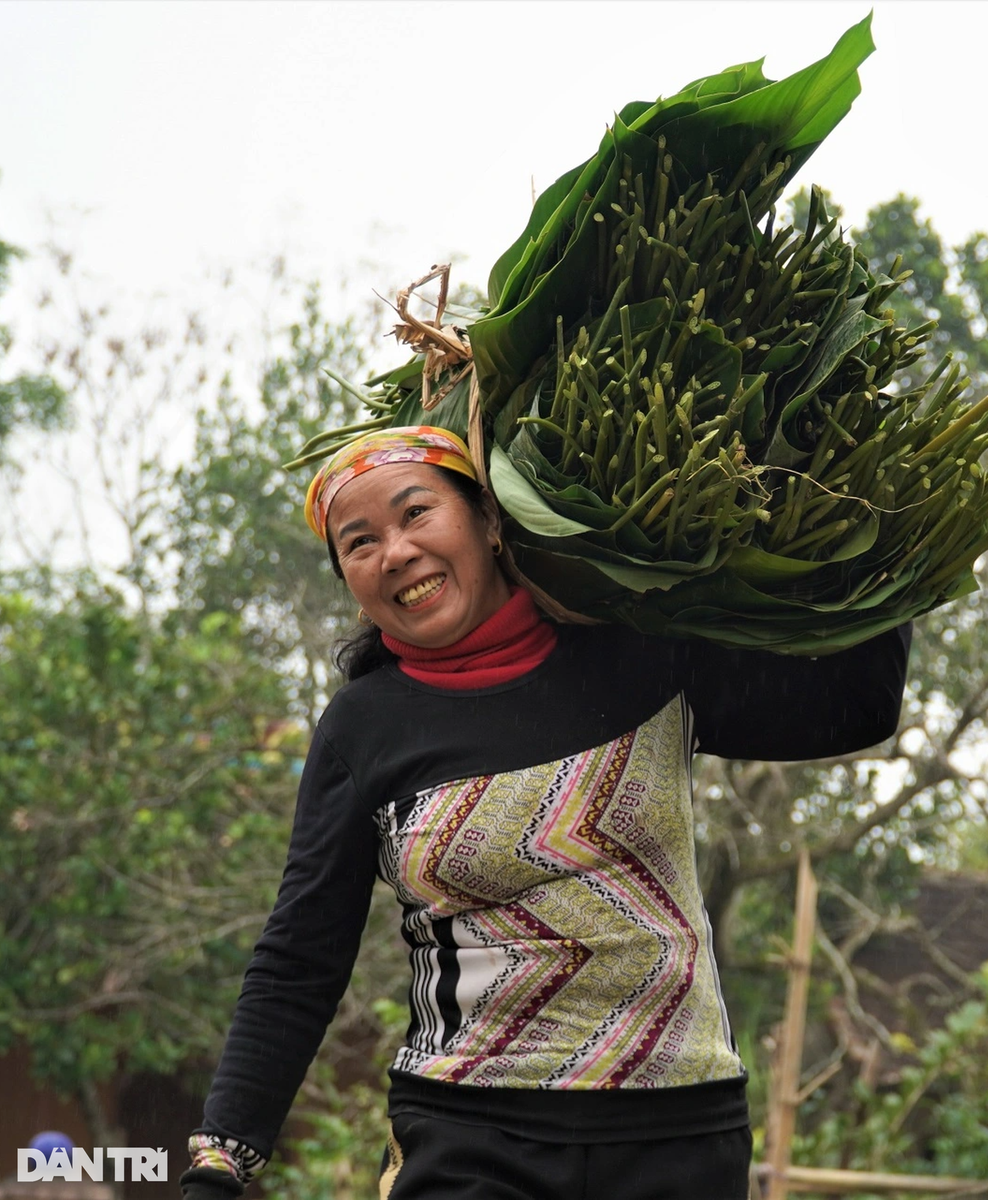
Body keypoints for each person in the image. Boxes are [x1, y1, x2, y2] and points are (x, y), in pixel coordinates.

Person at [180, 426, 911, 1200]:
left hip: (679, 1136)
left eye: (416, 514)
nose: (394, 552)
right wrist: (223, 1157)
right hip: (470, 1137)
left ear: (491, 522)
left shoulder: (641, 656)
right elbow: (300, 958)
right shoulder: (363, 730)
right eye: (360, 542)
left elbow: (856, 709)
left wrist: (861, 503)